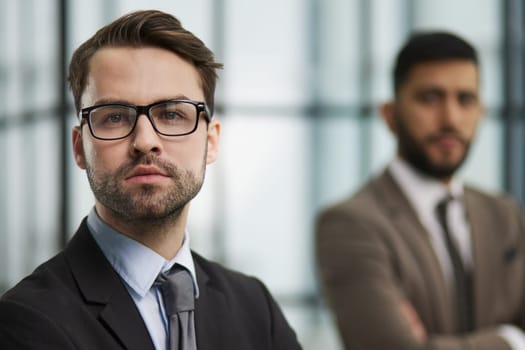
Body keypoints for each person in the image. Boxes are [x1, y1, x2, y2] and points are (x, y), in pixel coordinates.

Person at [0, 10, 302, 350]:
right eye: (114, 116)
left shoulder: (256, 308)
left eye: (172, 114)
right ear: (79, 147)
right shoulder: (26, 322)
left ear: (211, 141)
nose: (145, 141)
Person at [316, 31, 525, 349]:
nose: (450, 118)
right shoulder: (349, 224)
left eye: (465, 100)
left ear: (481, 112)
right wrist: (509, 340)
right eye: (430, 98)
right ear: (390, 115)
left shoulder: (504, 215)